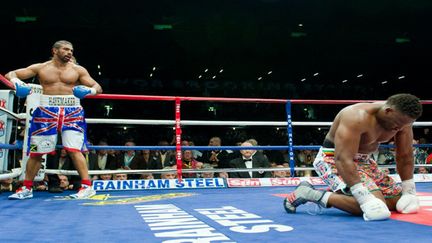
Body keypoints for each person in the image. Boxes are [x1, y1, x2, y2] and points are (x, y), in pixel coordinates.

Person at [284, 94, 422, 221]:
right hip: (333, 159)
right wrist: (362, 196)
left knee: (399, 201)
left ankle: (342, 193)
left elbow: (405, 156)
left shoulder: (403, 121)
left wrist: (409, 189)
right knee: (375, 206)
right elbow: (343, 159)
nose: (399, 129)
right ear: (388, 111)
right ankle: (309, 193)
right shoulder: (356, 116)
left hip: (365, 162)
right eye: (397, 125)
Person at [6, 40, 102, 199]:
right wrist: (17, 83)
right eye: (65, 49)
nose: (69, 52)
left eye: (71, 50)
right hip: (46, 111)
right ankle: (27, 188)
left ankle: (87, 186)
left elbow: (98, 87)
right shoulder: (41, 67)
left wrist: (89, 90)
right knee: (37, 152)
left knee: (74, 149)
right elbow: (11, 74)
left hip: (72, 111)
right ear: (55, 51)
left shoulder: (78, 70)